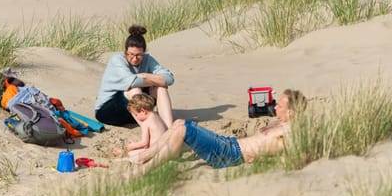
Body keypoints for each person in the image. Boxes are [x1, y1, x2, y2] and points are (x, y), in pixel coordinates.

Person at [132, 89, 307, 175]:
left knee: (183, 130)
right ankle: (143, 157)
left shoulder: (291, 131)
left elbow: (291, 157)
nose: (275, 106)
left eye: (280, 106)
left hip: (231, 155)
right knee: (179, 123)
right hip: (229, 144)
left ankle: (143, 170)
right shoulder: (279, 123)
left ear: (291, 112)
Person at [94, 25, 175, 127]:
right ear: (125, 52)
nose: (135, 58)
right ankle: (149, 128)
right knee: (134, 89)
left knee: (161, 88)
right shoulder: (117, 60)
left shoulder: (148, 59)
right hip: (108, 111)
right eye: (131, 54)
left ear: (143, 53)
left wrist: (145, 75)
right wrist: (155, 79)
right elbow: (132, 82)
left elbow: (169, 78)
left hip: (134, 113)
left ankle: (168, 128)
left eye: (139, 55)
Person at [121, 93, 168, 162]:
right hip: (165, 148)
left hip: (155, 151)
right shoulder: (156, 116)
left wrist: (132, 146)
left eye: (136, 114)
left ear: (143, 111)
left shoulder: (146, 122)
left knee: (131, 153)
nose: (136, 117)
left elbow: (144, 143)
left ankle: (123, 157)